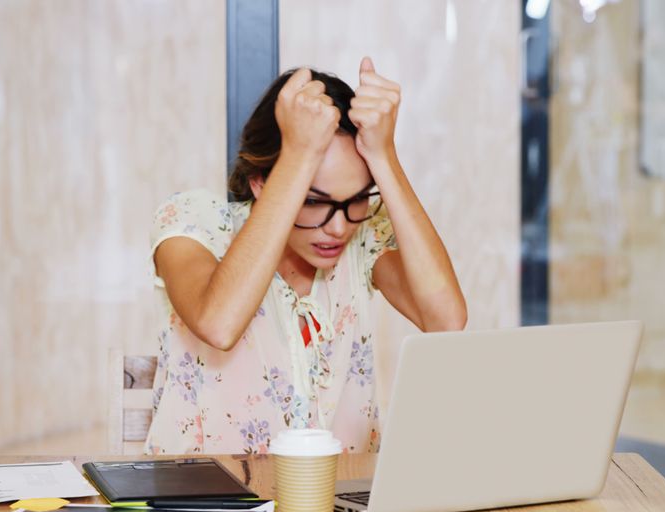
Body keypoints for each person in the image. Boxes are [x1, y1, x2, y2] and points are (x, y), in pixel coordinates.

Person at [145, 57, 467, 454]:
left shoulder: (363, 237)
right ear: (261, 180)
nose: (337, 227)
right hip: (207, 508)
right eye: (315, 201)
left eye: (355, 199)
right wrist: (299, 154)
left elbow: (446, 321)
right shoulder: (196, 222)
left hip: (336, 502)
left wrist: (385, 157)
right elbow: (219, 324)